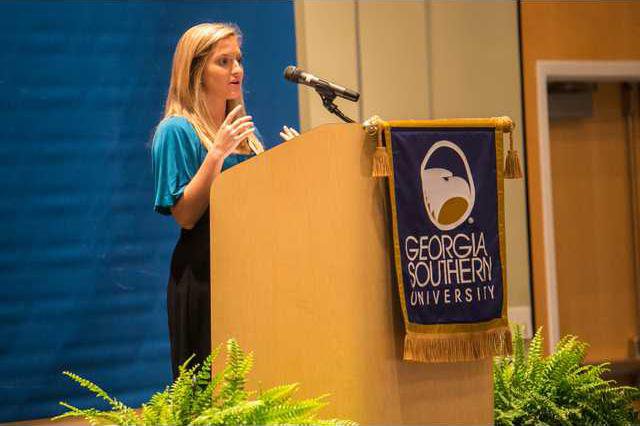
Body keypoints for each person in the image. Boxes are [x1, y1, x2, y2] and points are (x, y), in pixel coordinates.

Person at [151, 23, 298, 379]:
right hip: (205, 276)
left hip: (252, 271)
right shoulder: (176, 131)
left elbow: (264, 202)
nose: (237, 70)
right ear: (196, 71)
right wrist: (215, 154)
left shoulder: (246, 133)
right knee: (210, 389)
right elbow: (186, 215)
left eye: (239, 60)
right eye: (224, 61)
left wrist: (295, 162)